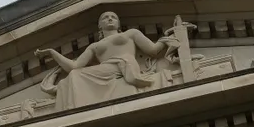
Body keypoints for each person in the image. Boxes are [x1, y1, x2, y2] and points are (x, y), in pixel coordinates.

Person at [36, 11, 179, 111]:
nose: (110, 19)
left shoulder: (131, 33)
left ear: (118, 24)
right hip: (105, 69)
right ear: (100, 26)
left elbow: (153, 50)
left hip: (123, 65)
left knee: (74, 77)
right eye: (105, 17)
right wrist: (52, 53)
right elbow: (75, 66)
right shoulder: (94, 46)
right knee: (73, 76)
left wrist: (171, 37)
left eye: (113, 17)